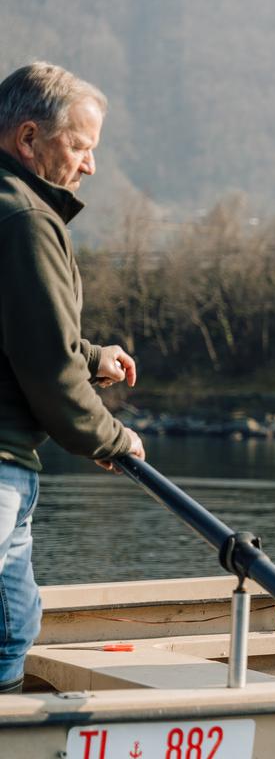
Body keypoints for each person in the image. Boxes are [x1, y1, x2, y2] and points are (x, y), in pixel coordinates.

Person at [0, 62, 145, 693]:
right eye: (80, 147)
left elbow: (21, 335)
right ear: (28, 139)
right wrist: (113, 439)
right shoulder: (28, 220)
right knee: (7, 630)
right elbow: (47, 371)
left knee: (12, 623)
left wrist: (92, 356)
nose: (89, 166)